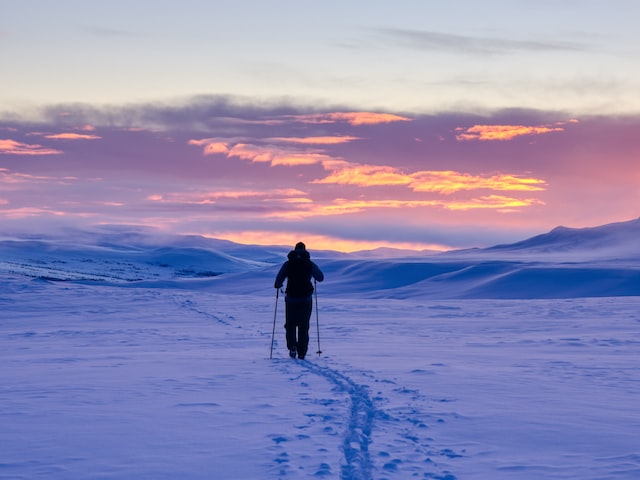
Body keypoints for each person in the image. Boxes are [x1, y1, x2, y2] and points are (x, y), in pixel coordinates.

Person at [274, 242, 324, 359]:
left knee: (290, 324)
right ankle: (302, 352)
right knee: (304, 326)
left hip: (291, 298)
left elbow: (278, 280)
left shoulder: (288, 263)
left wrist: (278, 285)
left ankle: (292, 346)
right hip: (306, 299)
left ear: (294, 250)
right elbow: (320, 278)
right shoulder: (309, 264)